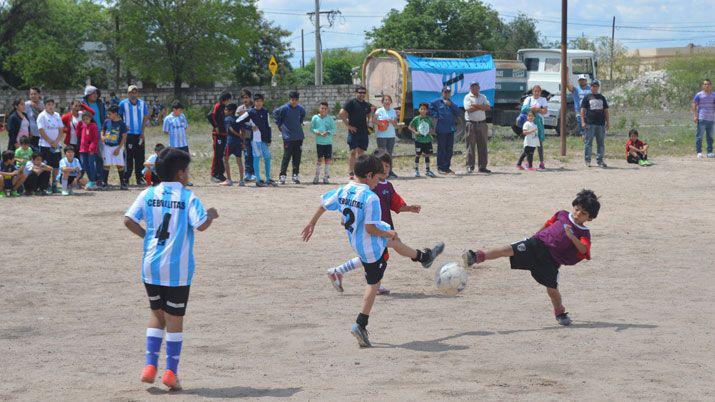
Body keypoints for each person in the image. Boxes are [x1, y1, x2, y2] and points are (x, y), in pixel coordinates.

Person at [301, 154, 444, 348]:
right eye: (377, 177)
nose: (379, 181)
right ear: (368, 175)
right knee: (374, 283)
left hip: (357, 241)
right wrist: (387, 232)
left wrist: (311, 223)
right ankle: (360, 324)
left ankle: (423, 257)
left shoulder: (345, 188)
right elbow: (370, 228)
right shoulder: (371, 197)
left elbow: (324, 204)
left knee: (395, 242)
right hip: (370, 246)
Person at [123, 147, 219, 391]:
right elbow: (201, 225)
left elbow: (128, 220)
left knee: (157, 314)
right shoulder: (188, 197)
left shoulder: (147, 193)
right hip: (177, 269)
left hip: (151, 266)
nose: (188, 175)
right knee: (175, 319)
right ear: (179, 174)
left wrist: (147, 236)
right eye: (186, 171)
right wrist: (211, 215)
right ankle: (170, 373)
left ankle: (149, 366)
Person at [462, 189, 601, 326]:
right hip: (536, 244)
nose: (578, 214)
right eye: (577, 209)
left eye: (583, 213)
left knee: (552, 290)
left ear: (589, 218)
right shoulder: (563, 214)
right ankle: (477, 256)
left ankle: (560, 312)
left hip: (551, 261)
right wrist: (534, 236)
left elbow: (584, 249)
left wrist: (572, 236)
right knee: (507, 249)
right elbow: (548, 224)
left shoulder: (583, 233)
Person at [326, 149, 422, 295]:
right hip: (373, 229)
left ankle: (339, 271)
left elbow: (395, 204)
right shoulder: (368, 187)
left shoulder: (386, 186)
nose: (385, 169)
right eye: (382, 166)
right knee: (379, 254)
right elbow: (353, 203)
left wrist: (409, 208)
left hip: (380, 227)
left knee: (374, 256)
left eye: (388, 166)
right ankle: (374, 284)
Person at [339, 86, 373, 179]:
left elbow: (370, 112)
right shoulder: (351, 102)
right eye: (360, 92)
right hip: (353, 131)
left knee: (361, 153)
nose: (362, 94)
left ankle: (359, 172)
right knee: (353, 151)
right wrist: (349, 126)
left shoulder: (366, 105)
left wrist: (369, 123)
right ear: (356, 93)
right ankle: (351, 172)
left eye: (363, 93)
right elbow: (341, 114)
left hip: (363, 131)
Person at [119, 85, 150, 185]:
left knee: (140, 156)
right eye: (131, 92)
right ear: (128, 94)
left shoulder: (142, 103)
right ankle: (126, 178)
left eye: (135, 92)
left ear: (138, 93)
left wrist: (142, 131)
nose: (133, 94)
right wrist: (123, 126)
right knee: (128, 156)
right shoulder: (123, 104)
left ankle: (140, 177)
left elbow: (145, 117)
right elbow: (119, 117)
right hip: (129, 135)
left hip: (140, 134)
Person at [273, 91, 306, 184]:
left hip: (299, 136)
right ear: (289, 99)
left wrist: (300, 122)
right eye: (292, 100)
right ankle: (282, 176)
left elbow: (303, 115)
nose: (294, 102)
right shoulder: (284, 108)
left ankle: (295, 175)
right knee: (286, 157)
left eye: (296, 100)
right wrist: (279, 125)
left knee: (297, 157)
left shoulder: (300, 108)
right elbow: (275, 113)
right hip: (288, 137)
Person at [430, 87, 461, 174]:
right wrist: (437, 115)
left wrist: (451, 105)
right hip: (441, 129)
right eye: (445, 92)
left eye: (448, 92)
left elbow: (458, 112)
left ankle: (447, 167)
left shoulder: (451, 103)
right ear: (442, 93)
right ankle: (440, 167)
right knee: (441, 149)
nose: (447, 94)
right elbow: (429, 109)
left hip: (450, 129)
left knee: (449, 150)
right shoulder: (437, 102)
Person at [248, 94, 276, 187]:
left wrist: (269, 138)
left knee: (267, 157)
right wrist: (250, 127)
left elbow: (268, 125)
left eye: (260, 101)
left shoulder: (265, 111)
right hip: (255, 140)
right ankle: (258, 179)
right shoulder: (250, 112)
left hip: (264, 139)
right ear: (254, 102)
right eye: (257, 101)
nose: (258, 103)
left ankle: (268, 179)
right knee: (257, 157)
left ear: (263, 102)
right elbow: (239, 121)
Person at [37, 99, 64, 194]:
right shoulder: (42, 116)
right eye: (48, 104)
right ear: (45, 106)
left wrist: (56, 141)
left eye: (52, 104)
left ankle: (54, 184)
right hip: (45, 145)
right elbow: (41, 130)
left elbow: (61, 129)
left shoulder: (57, 115)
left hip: (56, 145)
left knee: (56, 166)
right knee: (46, 165)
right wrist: (50, 141)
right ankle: (46, 184)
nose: (51, 106)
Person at [463, 81, 491, 173]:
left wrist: (475, 105)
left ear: (479, 87)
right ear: (470, 88)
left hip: (482, 123)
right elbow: (468, 109)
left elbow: (487, 107)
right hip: (471, 124)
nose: (474, 88)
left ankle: (482, 167)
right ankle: (470, 166)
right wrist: (481, 106)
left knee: (483, 145)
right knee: (470, 145)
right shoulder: (467, 97)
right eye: (472, 87)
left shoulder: (483, 96)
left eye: (476, 86)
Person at [580, 80, 610, 168]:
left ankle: (600, 160)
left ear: (598, 87)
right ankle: (587, 160)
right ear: (591, 87)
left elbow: (606, 111)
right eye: (593, 86)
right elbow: (582, 110)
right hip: (590, 123)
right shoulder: (587, 97)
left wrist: (608, 122)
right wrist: (582, 121)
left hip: (600, 124)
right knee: (588, 142)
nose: (594, 87)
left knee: (600, 143)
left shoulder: (602, 97)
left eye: (596, 86)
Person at [83, 86, 106, 188]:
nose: (95, 95)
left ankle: (100, 179)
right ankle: (92, 179)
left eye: (96, 93)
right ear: (88, 95)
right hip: (88, 134)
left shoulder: (100, 104)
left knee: (100, 157)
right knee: (89, 158)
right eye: (93, 93)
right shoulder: (84, 105)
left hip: (99, 132)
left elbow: (103, 117)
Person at [102, 104, 129, 190]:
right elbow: (102, 130)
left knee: (120, 165)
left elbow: (124, 136)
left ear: (115, 113)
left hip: (117, 146)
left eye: (110, 114)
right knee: (107, 164)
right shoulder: (107, 121)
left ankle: (122, 183)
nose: (108, 115)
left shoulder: (121, 124)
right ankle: (105, 183)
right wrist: (102, 137)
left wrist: (119, 148)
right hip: (107, 146)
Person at [522, 85, 548, 169]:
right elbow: (523, 109)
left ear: (540, 92)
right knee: (529, 144)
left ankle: (541, 162)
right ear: (532, 91)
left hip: (539, 124)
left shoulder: (543, 99)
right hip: (529, 124)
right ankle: (528, 163)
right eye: (535, 91)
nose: (536, 93)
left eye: (538, 91)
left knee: (539, 143)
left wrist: (537, 109)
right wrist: (532, 108)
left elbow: (545, 111)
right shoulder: (528, 99)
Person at [208, 91, 232, 182]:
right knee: (217, 154)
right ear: (225, 99)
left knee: (221, 154)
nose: (229, 101)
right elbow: (210, 116)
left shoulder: (223, 108)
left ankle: (220, 174)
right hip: (217, 135)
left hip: (223, 134)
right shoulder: (217, 106)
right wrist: (216, 126)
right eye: (229, 99)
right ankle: (214, 174)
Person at [373, 95, 399, 178]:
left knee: (389, 154)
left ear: (391, 102)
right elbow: (373, 120)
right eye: (385, 100)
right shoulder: (379, 110)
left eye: (388, 100)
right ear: (382, 102)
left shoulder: (393, 111)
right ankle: (380, 171)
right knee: (381, 154)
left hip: (391, 135)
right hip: (381, 135)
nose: (387, 101)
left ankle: (390, 171)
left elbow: (396, 125)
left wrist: (391, 121)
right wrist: (382, 124)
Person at [310, 101, 336, 184]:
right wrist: (316, 131)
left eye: (325, 108)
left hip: (328, 142)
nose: (323, 110)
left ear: (327, 109)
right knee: (319, 159)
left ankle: (326, 177)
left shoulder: (330, 118)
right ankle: (316, 176)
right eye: (322, 108)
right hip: (319, 142)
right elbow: (311, 128)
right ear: (319, 108)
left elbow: (334, 129)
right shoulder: (315, 118)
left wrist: (328, 132)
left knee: (327, 159)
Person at [221, 103, 246, 187]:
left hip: (230, 142)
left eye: (226, 110)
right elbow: (243, 129)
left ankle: (229, 180)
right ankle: (242, 180)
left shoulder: (227, 119)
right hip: (238, 142)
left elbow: (230, 129)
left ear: (230, 111)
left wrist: (238, 135)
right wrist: (242, 140)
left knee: (225, 160)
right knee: (239, 161)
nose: (224, 111)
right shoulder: (238, 118)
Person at [408, 103, 436, 177]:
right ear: (419, 110)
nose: (423, 110)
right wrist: (415, 132)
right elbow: (410, 126)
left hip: (427, 140)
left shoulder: (429, 119)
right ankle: (416, 170)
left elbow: (433, 128)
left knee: (427, 155)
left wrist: (431, 132)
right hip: (419, 140)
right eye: (421, 109)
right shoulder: (416, 119)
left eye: (425, 109)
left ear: (427, 110)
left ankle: (427, 170)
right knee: (418, 155)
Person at [691, 78, 715, 159]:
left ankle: (709, 152)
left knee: (710, 137)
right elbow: (694, 104)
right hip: (702, 118)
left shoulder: (714, 95)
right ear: (703, 86)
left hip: (711, 119)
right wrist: (695, 116)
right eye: (705, 84)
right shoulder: (699, 95)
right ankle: (699, 152)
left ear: (710, 86)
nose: (706, 85)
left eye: (708, 84)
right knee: (699, 136)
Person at [77, 110, 100, 190]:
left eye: (87, 118)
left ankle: (93, 180)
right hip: (83, 149)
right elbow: (79, 136)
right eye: (83, 119)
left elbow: (95, 139)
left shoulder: (93, 126)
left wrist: (92, 148)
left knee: (91, 165)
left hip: (91, 150)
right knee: (84, 165)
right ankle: (91, 180)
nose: (85, 120)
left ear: (90, 118)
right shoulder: (82, 126)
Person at [237, 89, 255, 181]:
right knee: (247, 154)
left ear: (250, 97)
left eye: (247, 97)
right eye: (243, 98)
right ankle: (248, 173)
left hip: (255, 135)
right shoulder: (240, 109)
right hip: (245, 135)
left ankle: (254, 173)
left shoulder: (255, 106)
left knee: (255, 154)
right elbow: (237, 122)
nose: (245, 100)